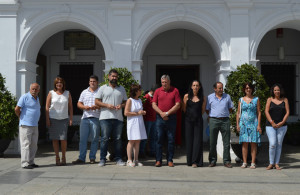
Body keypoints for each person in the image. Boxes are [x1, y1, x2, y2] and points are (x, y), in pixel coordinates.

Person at [95, 69, 128, 167]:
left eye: (116, 76)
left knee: (118, 139)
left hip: (118, 118)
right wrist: (106, 105)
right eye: (112, 76)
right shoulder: (102, 88)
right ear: (108, 77)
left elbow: (126, 102)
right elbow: (96, 101)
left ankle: (118, 158)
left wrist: (121, 106)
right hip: (105, 117)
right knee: (105, 139)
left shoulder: (121, 88)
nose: (114, 78)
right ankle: (102, 159)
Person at [152, 75, 181, 167]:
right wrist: (161, 113)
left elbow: (178, 105)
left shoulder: (175, 90)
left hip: (171, 118)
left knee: (171, 139)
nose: (164, 84)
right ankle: (158, 160)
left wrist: (167, 113)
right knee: (159, 139)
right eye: (163, 82)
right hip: (160, 118)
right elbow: (154, 104)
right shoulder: (157, 91)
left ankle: (170, 160)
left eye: (166, 82)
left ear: (169, 82)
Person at [72, 75, 100, 165]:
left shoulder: (100, 92)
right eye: (91, 81)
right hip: (85, 118)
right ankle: (81, 158)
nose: (92, 83)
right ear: (89, 82)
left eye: (94, 81)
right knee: (83, 140)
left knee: (95, 139)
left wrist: (97, 106)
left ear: (97, 82)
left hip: (96, 118)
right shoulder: (84, 92)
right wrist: (84, 107)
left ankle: (92, 158)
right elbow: (79, 103)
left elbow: (103, 104)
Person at [46, 77, 73, 166]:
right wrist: (47, 119)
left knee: (63, 139)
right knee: (55, 139)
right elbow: (47, 107)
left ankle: (64, 157)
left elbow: (70, 107)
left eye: (60, 82)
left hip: (64, 118)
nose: (59, 84)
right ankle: (57, 157)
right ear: (55, 84)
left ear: (63, 84)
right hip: (53, 118)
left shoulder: (67, 93)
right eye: (57, 83)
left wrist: (71, 118)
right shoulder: (51, 93)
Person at [206, 82, 233, 168]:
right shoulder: (210, 97)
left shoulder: (227, 96)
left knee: (226, 142)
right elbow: (207, 109)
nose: (221, 90)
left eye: (222, 88)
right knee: (212, 142)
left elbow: (230, 108)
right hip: (213, 120)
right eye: (219, 88)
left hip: (225, 120)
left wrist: (224, 114)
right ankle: (212, 160)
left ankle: (227, 161)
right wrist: (213, 116)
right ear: (215, 89)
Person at [15, 83, 41, 169]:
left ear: (38, 91)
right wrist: (21, 117)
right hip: (25, 125)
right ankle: (25, 163)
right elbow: (17, 109)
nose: (34, 90)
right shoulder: (25, 97)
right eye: (33, 89)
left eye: (36, 89)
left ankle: (31, 161)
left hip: (35, 125)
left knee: (34, 145)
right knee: (25, 144)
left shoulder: (37, 98)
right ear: (30, 89)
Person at [236, 82, 262, 169]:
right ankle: (244, 162)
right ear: (244, 89)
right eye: (246, 88)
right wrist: (237, 124)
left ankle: (253, 162)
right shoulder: (241, 100)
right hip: (243, 124)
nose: (248, 89)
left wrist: (259, 125)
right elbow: (238, 113)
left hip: (253, 123)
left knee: (253, 143)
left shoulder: (256, 99)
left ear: (252, 89)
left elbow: (259, 112)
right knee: (244, 143)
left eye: (250, 88)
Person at [265, 84, 289, 170]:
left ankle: (276, 163)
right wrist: (272, 122)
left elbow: (287, 112)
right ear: (273, 91)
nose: (277, 92)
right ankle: (271, 163)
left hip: (282, 126)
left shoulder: (285, 100)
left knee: (279, 144)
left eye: (278, 90)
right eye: (275, 90)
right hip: (270, 126)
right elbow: (266, 112)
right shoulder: (269, 99)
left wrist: (282, 122)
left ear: (280, 91)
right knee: (272, 144)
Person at [183, 80, 206, 168]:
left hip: (198, 121)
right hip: (188, 121)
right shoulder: (186, 96)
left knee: (197, 141)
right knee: (189, 140)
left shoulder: (203, 98)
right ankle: (189, 160)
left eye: (197, 85)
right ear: (191, 87)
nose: (195, 87)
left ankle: (195, 161)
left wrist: (196, 116)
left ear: (199, 87)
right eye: (194, 85)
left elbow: (203, 110)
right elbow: (184, 109)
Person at [124, 84, 147, 167]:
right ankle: (129, 160)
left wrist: (142, 112)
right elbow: (126, 113)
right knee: (131, 140)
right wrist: (138, 113)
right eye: (139, 90)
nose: (141, 91)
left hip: (139, 122)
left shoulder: (140, 100)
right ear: (135, 91)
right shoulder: (130, 100)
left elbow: (139, 111)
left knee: (138, 141)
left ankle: (136, 159)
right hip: (132, 122)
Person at [140, 85, 157, 158]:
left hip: (154, 119)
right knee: (145, 136)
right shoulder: (146, 97)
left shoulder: (155, 97)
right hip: (147, 120)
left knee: (153, 136)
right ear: (152, 91)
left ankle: (152, 151)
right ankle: (141, 152)